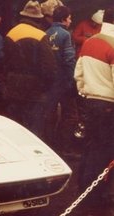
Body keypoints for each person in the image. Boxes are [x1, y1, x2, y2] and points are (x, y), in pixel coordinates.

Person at [73, 7, 114, 204]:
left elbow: (78, 74)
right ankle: (99, 194)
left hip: (90, 101)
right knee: (106, 149)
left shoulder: (89, 42)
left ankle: (84, 187)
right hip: (109, 105)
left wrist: (85, 92)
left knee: (91, 146)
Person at [3, 0, 57, 139]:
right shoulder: (40, 35)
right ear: (38, 19)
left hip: (13, 88)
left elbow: (4, 63)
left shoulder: (11, 33)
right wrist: (45, 87)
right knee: (34, 132)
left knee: (15, 128)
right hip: (34, 91)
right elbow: (49, 68)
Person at [45, 5, 76, 148]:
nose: (70, 21)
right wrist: (72, 81)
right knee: (70, 115)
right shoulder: (66, 34)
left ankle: (48, 143)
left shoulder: (45, 33)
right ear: (64, 19)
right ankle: (64, 146)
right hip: (64, 81)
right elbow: (69, 60)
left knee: (49, 114)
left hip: (49, 82)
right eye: (69, 18)